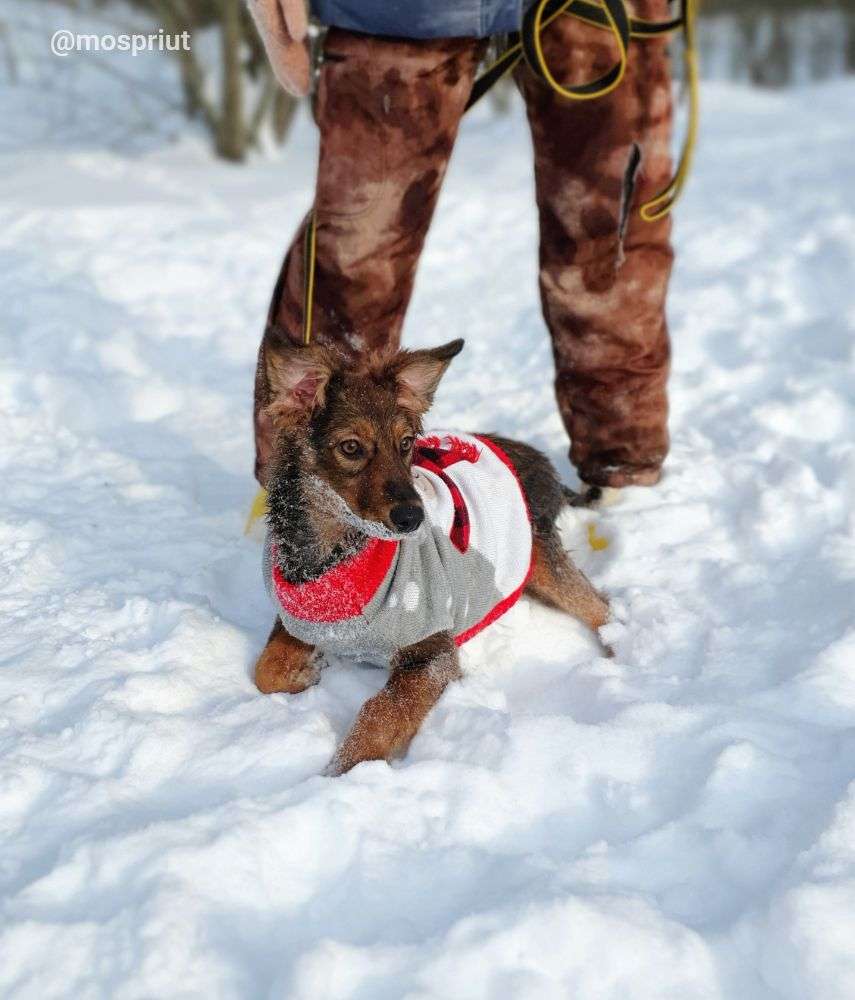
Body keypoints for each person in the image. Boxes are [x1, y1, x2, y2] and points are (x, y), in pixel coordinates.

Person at [248, 0, 676, 496]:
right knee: (355, 254)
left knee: (610, 240)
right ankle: (304, 480)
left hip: (599, 11)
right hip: (397, 15)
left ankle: (625, 465)